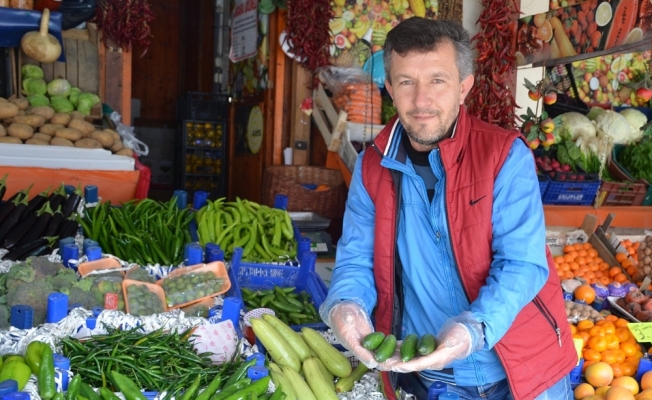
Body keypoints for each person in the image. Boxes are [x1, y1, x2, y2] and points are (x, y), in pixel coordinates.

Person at [319, 18, 577, 400]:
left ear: (464, 87)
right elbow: (356, 261)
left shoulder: (504, 155)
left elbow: (522, 264)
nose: (421, 100)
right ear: (389, 87)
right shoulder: (371, 167)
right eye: (406, 82)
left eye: (437, 80)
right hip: (436, 380)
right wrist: (345, 305)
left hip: (526, 372)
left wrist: (473, 329)